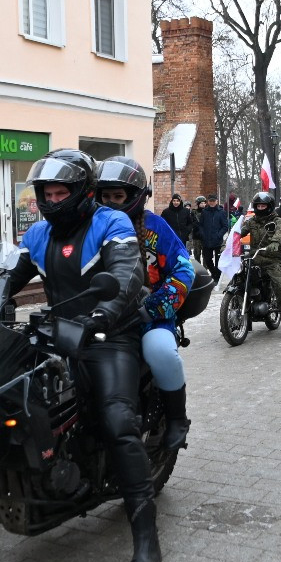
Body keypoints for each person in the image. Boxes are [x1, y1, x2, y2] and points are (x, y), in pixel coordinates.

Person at [5, 148, 160, 562]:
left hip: (110, 332)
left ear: (81, 192)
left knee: (117, 422)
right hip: (59, 333)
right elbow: (7, 280)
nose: (52, 200)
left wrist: (105, 314)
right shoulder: (36, 234)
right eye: (46, 193)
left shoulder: (112, 222)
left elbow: (128, 275)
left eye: (61, 192)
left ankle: (146, 535)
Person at [97, 157, 195, 451]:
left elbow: (183, 270)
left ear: (136, 197)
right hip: (101, 318)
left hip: (147, 316)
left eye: (119, 196)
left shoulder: (155, 227)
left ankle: (177, 418)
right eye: (106, 196)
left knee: (161, 351)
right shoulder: (90, 227)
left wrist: (155, 306)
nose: (112, 202)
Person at [240, 191, 281, 338]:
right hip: (254, 260)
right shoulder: (251, 221)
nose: (261, 207)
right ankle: (234, 317)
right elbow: (240, 232)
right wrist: (229, 242)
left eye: (264, 205)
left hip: (271, 261)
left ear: (269, 206)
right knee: (238, 280)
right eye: (259, 205)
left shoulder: (277, 220)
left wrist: (276, 242)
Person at [199, 193, 227, 281]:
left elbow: (225, 226)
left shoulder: (221, 212)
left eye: (213, 201)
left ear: (217, 201)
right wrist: (203, 234)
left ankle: (217, 276)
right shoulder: (204, 212)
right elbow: (200, 225)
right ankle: (214, 272)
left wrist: (219, 235)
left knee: (218, 260)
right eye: (210, 201)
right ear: (208, 202)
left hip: (217, 240)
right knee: (207, 259)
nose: (212, 203)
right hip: (206, 240)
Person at [190, 195, 206, 262]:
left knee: (205, 254)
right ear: (198, 204)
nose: (203, 205)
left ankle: (206, 268)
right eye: (201, 203)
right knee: (197, 253)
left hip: (205, 236)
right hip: (196, 236)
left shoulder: (207, 212)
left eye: (204, 203)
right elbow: (191, 222)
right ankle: (198, 268)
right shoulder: (193, 212)